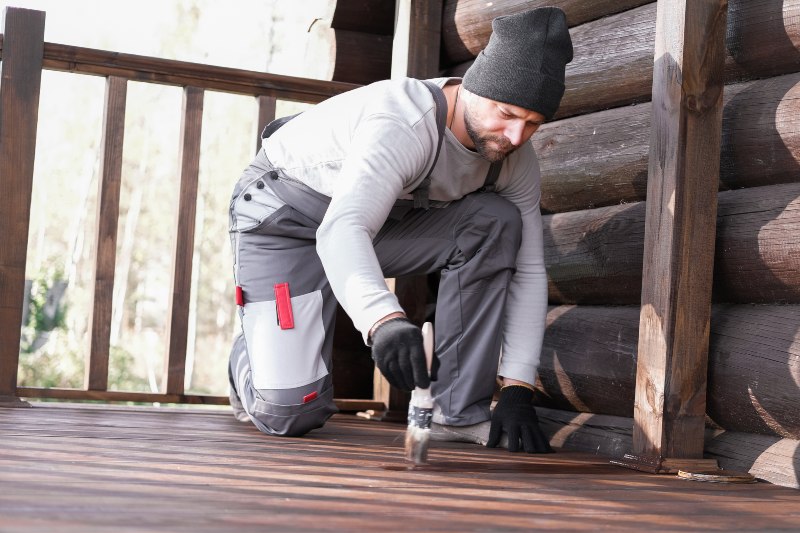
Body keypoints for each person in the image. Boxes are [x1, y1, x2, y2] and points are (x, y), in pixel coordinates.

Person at [227, 7, 573, 453]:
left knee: (495, 222)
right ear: (471, 89)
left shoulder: (514, 162)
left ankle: (457, 411)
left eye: (532, 124)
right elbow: (343, 227)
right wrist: (385, 321)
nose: (515, 136)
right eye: (506, 113)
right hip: (284, 223)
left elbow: (528, 270)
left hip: (369, 232)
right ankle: (250, 354)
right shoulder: (404, 120)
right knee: (291, 412)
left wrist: (518, 386)